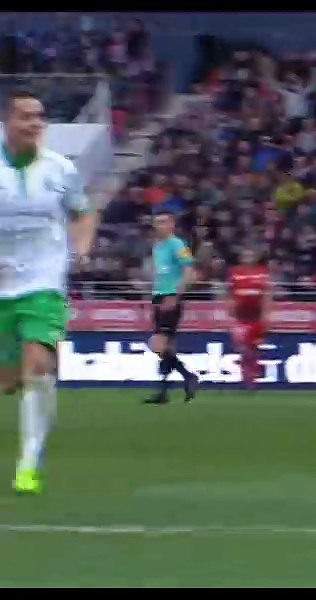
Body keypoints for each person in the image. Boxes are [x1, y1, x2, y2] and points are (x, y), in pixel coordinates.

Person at [0, 90, 97, 494]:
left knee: (38, 367)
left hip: (44, 281)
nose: (35, 124)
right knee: (8, 381)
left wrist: (81, 249)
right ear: (7, 121)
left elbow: (83, 213)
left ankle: (28, 465)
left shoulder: (60, 168)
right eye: (25, 116)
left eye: (39, 116)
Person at [143, 209, 200, 405]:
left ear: (172, 225)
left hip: (169, 297)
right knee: (167, 347)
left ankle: (188, 376)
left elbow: (190, 271)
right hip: (159, 296)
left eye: (164, 222)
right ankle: (164, 391)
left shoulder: (177, 244)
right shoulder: (157, 246)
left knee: (157, 344)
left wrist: (176, 294)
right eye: (157, 222)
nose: (160, 226)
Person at [227, 248, 272, 390]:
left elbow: (267, 294)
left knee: (254, 347)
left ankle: (253, 375)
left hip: (256, 316)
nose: (248, 258)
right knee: (242, 347)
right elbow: (230, 293)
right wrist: (230, 311)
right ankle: (246, 376)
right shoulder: (235, 272)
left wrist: (266, 314)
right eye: (245, 255)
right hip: (240, 316)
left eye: (250, 255)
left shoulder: (262, 272)